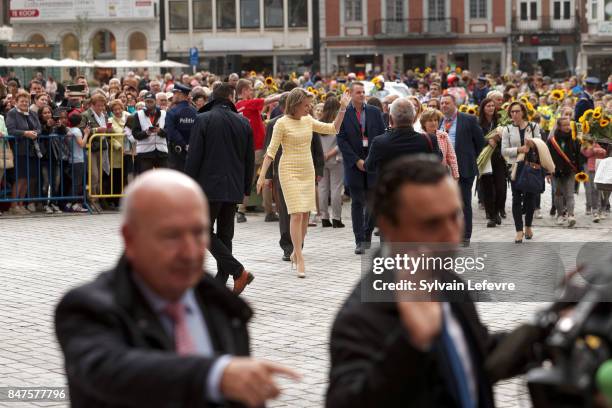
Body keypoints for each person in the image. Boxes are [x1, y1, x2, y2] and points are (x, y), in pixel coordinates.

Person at [55, 169, 299, 408]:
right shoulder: (89, 307)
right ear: (130, 239)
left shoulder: (220, 305)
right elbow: (111, 371)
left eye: (198, 233)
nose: (190, 251)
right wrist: (214, 375)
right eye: (171, 235)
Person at [326, 156, 542, 408]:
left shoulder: (446, 279)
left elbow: (475, 354)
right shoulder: (361, 317)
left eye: (455, 216)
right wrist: (411, 343)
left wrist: (551, 328)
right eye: (432, 223)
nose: (451, 236)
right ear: (388, 226)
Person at [257, 88, 351, 278]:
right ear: (295, 104)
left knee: (306, 215)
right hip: (288, 171)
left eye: (310, 105)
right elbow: (271, 151)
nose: (310, 108)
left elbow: (333, 128)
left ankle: (296, 250)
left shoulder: (308, 121)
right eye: (306, 105)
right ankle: (299, 256)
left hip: (306, 170)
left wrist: (342, 108)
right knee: (296, 214)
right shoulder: (281, 123)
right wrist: (262, 176)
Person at [185, 83, 255, 294]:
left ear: (212, 98)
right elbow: (249, 159)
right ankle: (222, 281)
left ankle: (237, 271)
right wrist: (245, 187)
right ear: (232, 98)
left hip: (208, 187)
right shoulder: (243, 122)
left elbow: (194, 156)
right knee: (225, 235)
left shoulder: (203, 119)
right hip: (233, 186)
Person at [337, 81, 386, 255]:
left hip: (373, 163)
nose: (362, 95)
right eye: (358, 92)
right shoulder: (344, 113)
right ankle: (359, 240)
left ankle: (366, 236)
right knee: (357, 202)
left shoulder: (374, 112)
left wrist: (372, 159)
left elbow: (382, 136)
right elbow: (341, 140)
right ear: (350, 94)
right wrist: (356, 160)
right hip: (354, 164)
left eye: (363, 92)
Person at [235, 79, 283, 223]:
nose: (252, 91)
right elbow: (269, 100)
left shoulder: (238, 106)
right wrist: (283, 95)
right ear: (243, 91)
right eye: (250, 89)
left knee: (249, 180)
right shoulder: (249, 103)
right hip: (259, 148)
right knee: (267, 177)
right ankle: (269, 212)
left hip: (248, 148)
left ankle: (240, 211)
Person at [439, 94, 485, 245]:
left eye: (447, 103)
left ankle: (465, 235)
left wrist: (470, 157)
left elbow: (480, 142)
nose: (444, 105)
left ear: (454, 104)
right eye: (442, 103)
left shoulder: (468, 120)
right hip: (444, 170)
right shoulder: (439, 121)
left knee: (464, 202)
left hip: (464, 168)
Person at [501, 102, 548, 243]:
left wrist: (532, 144)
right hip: (515, 167)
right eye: (512, 112)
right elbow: (503, 150)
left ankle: (528, 226)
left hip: (531, 166)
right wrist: (518, 150)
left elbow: (540, 145)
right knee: (516, 198)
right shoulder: (507, 129)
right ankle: (518, 231)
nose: (514, 114)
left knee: (530, 197)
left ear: (523, 112)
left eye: (517, 111)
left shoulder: (533, 126)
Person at [366, 98, 442, 175]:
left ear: (391, 119)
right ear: (413, 118)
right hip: (420, 185)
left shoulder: (380, 142)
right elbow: (439, 159)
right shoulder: (429, 139)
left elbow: (369, 166)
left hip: (392, 186)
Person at [6, 90, 42, 215]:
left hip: (32, 150)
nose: (24, 103)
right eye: (22, 101)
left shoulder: (32, 113)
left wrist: (35, 133)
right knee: (20, 178)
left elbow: (39, 128)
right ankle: (13, 205)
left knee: (27, 178)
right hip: (19, 150)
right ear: (16, 102)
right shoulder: (12, 113)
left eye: (26, 101)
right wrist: (25, 133)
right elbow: (11, 130)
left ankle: (21, 204)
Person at [547, 117, 581, 227]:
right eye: (565, 125)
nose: (568, 127)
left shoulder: (574, 138)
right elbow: (547, 156)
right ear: (559, 126)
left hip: (569, 170)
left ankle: (571, 215)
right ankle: (560, 215)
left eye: (568, 125)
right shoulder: (552, 140)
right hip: (556, 171)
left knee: (570, 193)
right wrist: (548, 172)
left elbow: (578, 155)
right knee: (558, 194)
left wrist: (579, 170)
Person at [478, 97, 507, 227]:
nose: (491, 108)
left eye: (492, 106)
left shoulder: (499, 122)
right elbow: (475, 140)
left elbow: (507, 139)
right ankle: (491, 216)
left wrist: (499, 138)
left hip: (498, 158)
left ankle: (497, 211)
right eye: (488, 106)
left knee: (501, 188)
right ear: (483, 108)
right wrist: (487, 141)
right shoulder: (478, 123)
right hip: (485, 159)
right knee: (488, 188)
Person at [317, 96, 345, 229]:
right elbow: (342, 143)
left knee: (322, 188)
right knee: (336, 189)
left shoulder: (319, 122)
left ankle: (324, 217)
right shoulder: (339, 122)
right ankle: (336, 218)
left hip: (321, 159)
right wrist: (329, 154)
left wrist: (321, 155)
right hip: (336, 159)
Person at [81, 93, 111, 212]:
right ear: (92, 105)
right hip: (91, 147)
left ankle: (96, 198)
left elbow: (108, 129)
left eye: (102, 106)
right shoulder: (85, 115)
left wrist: (109, 129)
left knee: (100, 174)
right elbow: (82, 129)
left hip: (102, 147)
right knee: (93, 174)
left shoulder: (104, 115)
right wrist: (96, 130)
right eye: (98, 106)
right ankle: (92, 200)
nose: (101, 108)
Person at [126, 92, 168, 174]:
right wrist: (147, 132)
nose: (149, 104)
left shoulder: (164, 114)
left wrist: (160, 131)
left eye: (151, 101)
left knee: (163, 179)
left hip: (161, 152)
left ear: (155, 101)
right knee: (145, 179)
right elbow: (135, 134)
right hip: (145, 153)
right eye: (147, 102)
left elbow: (169, 131)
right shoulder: (138, 115)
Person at [164, 83, 196, 172]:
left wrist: (184, 145)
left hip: (176, 155)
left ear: (180, 94)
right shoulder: (195, 111)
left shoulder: (172, 112)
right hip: (193, 152)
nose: (173, 96)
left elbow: (171, 133)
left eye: (174, 93)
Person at [420, 108, 458, 179]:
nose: (434, 123)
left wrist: (455, 175)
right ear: (424, 123)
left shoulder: (443, 136)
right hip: (424, 175)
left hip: (442, 174)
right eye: (430, 120)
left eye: (435, 120)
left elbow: (451, 157)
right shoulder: (419, 136)